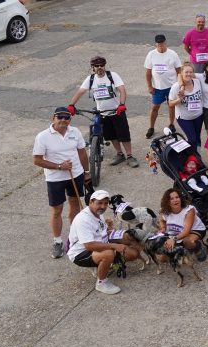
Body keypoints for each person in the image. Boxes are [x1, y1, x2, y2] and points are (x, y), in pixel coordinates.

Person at [33, 107, 90, 258]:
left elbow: (82, 153)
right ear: (53, 118)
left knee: (75, 204)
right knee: (57, 209)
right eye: (60, 117)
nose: (64, 120)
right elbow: (37, 160)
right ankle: (57, 241)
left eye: (67, 117)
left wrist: (87, 173)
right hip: (55, 178)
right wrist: (59, 166)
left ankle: (75, 235)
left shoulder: (75, 132)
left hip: (75, 174)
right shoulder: (43, 136)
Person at [67, 190, 140, 295]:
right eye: (99, 203)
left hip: (100, 243)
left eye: (105, 203)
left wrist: (119, 235)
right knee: (108, 254)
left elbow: (102, 232)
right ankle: (101, 282)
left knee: (133, 252)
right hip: (80, 252)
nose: (103, 206)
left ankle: (104, 265)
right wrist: (113, 245)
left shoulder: (98, 214)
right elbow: (89, 245)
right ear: (91, 202)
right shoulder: (82, 220)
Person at [69, 56, 136, 167]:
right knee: (111, 136)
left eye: (102, 65)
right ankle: (119, 154)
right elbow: (80, 92)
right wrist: (71, 105)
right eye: (97, 66)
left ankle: (130, 156)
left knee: (124, 135)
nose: (100, 67)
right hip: (102, 113)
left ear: (104, 66)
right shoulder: (90, 79)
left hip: (117, 111)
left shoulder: (112, 76)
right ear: (93, 68)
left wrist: (122, 104)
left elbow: (122, 90)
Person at [144, 34, 182, 138]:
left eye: (162, 43)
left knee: (171, 106)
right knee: (155, 107)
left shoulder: (172, 54)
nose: (161, 45)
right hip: (158, 87)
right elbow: (148, 72)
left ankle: (171, 124)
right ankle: (151, 127)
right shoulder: (151, 54)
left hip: (171, 86)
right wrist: (149, 86)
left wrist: (179, 85)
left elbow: (179, 70)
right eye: (158, 43)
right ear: (156, 44)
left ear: (166, 42)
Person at [159, 187, 208, 260]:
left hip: (194, 230)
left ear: (180, 198)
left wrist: (173, 239)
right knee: (163, 259)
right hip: (176, 232)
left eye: (177, 197)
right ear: (167, 202)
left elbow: (186, 231)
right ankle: (182, 247)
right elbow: (162, 220)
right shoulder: (165, 211)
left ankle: (198, 248)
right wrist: (163, 228)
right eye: (171, 199)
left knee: (187, 241)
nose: (175, 200)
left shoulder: (189, 210)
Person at [169, 63, 205, 147]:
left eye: (191, 72)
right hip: (184, 118)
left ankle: (197, 156)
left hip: (198, 116)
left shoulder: (197, 81)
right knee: (192, 139)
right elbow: (170, 104)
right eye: (186, 72)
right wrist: (179, 100)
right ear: (181, 73)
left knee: (197, 137)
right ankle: (192, 157)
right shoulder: (176, 87)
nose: (188, 74)